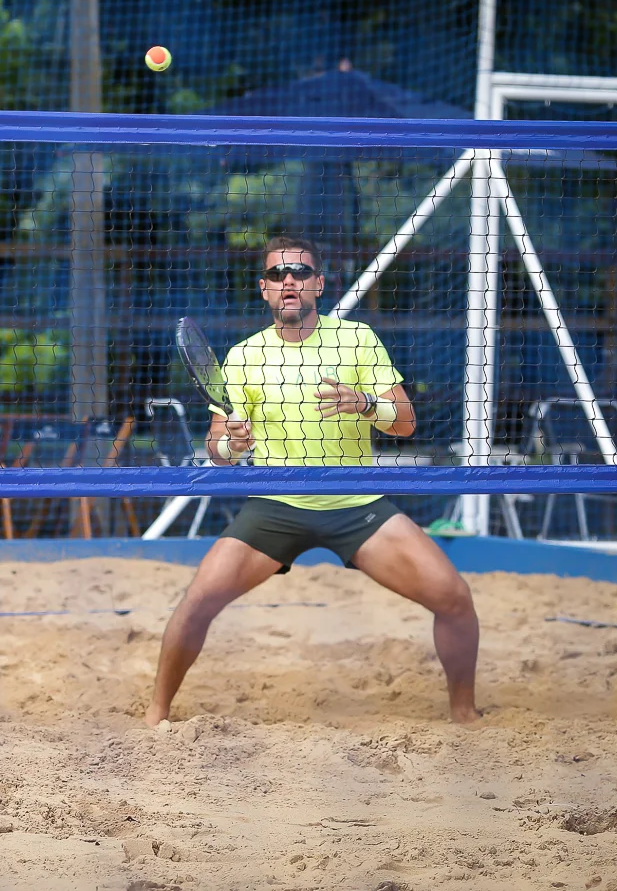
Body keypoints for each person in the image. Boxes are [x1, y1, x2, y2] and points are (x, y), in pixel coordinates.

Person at [145, 235, 481, 726]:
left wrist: (365, 404)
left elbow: (406, 422)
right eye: (278, 275)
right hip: (275, 506)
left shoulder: (358, 340)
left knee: (453, 598)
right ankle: (156, 716)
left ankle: (464, 715)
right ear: (264, 289)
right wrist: (231, 445)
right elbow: (217, 449)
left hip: (355, 503)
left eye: (300, 273)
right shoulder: (243, 356)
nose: (289, 282)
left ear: (318, 285)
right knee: (196, 603)